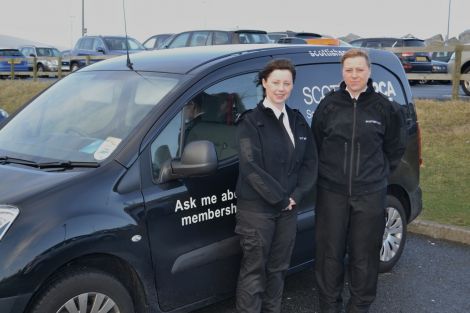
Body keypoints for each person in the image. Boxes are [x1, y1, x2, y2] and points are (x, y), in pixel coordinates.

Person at [311, 49, 407, 313]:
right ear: (342, 72)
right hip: (332, 193)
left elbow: (395, 148)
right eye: (349, 70)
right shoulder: (328, 106)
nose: (354, 75)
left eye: (359, 70)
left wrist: (376, 174)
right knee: (329, 256)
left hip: (370, 194)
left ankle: (359, 307)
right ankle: (329, 307)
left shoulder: (384, 107)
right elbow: (317, 144)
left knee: (364, 256)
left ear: (369, 71)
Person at [234, 59, 318, 313]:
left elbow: (310, 162)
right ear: (264, 83)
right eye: (275, 83)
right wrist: (281, 199)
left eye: (286, 83)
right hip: (257, 211)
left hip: (288, 209)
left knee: (279, 269)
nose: (281, 88)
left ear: (292, 85)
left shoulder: (297, 120)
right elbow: (250, 167)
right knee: (254, 271)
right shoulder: (250, 121)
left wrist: (297, 195)